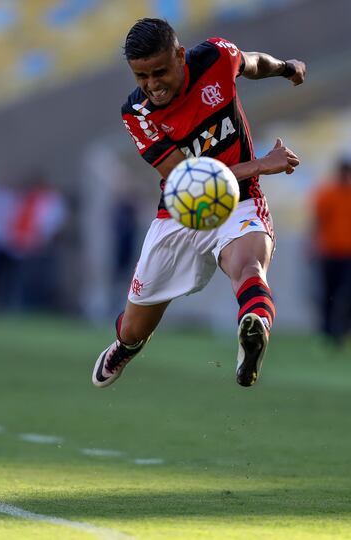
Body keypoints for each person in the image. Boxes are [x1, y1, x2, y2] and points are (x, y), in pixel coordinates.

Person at [92, 18, 306, 389]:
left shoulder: (216, 58)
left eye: (160, 72)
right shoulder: (138, 113)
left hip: (240, 199)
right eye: (142, 77)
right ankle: (126, 347)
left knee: (249, 266)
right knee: (133, 328)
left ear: (180, 55)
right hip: (181, 212)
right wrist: (260, 164)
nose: (153, 85)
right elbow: (190, 179)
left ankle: (254, 329)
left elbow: (252, 62)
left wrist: (286, 67)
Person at [310, 158, 351, 344]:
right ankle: (326, 332)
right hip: (328, 251)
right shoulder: (327, 193)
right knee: (328, 293)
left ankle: (342, 331)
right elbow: (317, 221)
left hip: (348, 253)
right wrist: (312, 244)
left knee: (346, 293)